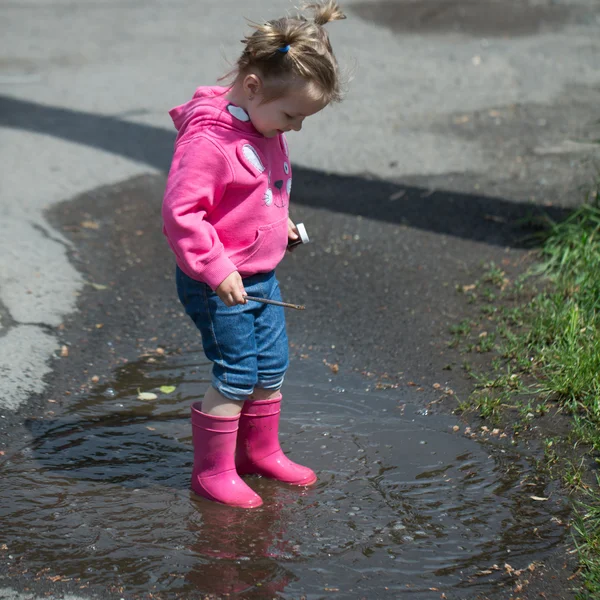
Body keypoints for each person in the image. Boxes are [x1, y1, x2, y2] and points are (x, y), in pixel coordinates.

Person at [162, 0, 346, 508]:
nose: (296, 127)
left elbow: (258, 190)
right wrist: (216, 268)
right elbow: (183, 214)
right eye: (292, 115)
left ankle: (258, 452)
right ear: (252, 87)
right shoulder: (210, 142)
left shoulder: (262, 123)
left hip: (259, 275)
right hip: (218, 279)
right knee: (237, 372)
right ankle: (213, 471)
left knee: (271, 368)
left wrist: (278, 223)